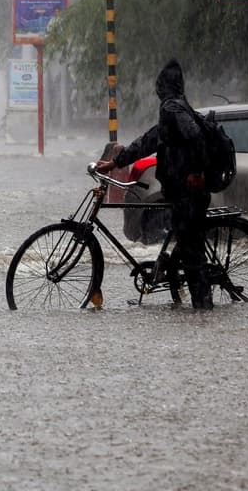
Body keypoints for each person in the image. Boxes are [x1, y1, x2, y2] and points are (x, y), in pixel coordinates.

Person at [94, 59, 213, 310]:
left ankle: (203, 310)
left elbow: (196, 137)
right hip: (181, 191)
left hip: (187, 192)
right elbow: (148, 140)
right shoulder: (176, 107)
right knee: (188, 247)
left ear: (163, 86)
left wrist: (195, 171)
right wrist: (115, 162)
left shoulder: (173, 109)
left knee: (193, 256)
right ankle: (197, 306)